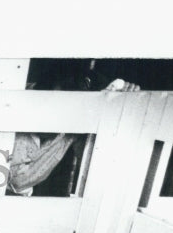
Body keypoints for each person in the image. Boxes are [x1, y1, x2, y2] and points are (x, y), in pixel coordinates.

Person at [8, 74, 140, 196]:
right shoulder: (12, 102)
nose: (54, 119)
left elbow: (99, 167)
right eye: (50, 106)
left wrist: (119, 104)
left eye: (63, 112)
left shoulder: (75, 121)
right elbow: (13, 181)